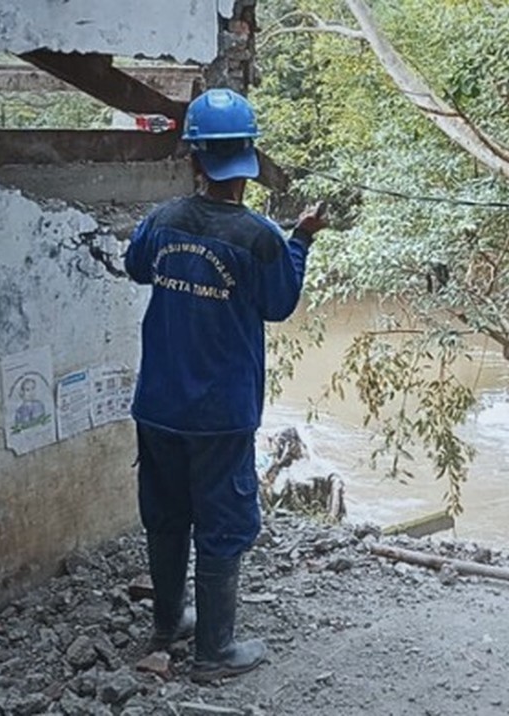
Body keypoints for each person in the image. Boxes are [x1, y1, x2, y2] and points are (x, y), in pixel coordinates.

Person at [124, 87, 327, 682]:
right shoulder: (260, 236)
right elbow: (279, 303)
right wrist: (303, 237)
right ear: (248, 159)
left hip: (157, 405)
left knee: (165, 516)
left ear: (194, 160)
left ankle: (168, 626)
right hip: (220, 414)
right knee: (222, 522)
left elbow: (137, 267)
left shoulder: (161, 222)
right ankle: (213, 652)